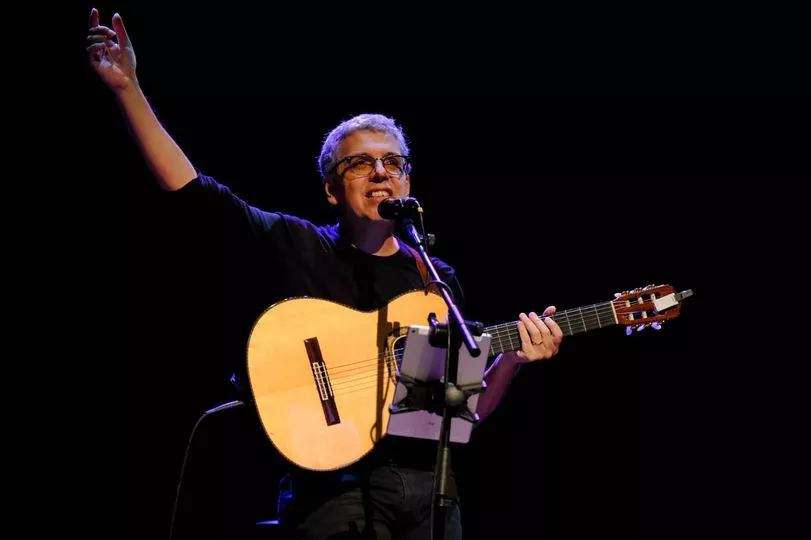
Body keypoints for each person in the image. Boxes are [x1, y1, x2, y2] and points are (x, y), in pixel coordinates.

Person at [91, 8, 563, 539]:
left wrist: (512, 361)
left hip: (432, 492)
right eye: (359, 164)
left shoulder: (435, 278)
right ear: (331, 189)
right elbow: (197, 195)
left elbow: (459, 413)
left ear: (408, 182)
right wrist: (128, 89)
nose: (380, 172)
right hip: (333, 489)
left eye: (393, 163)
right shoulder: (299, 244)